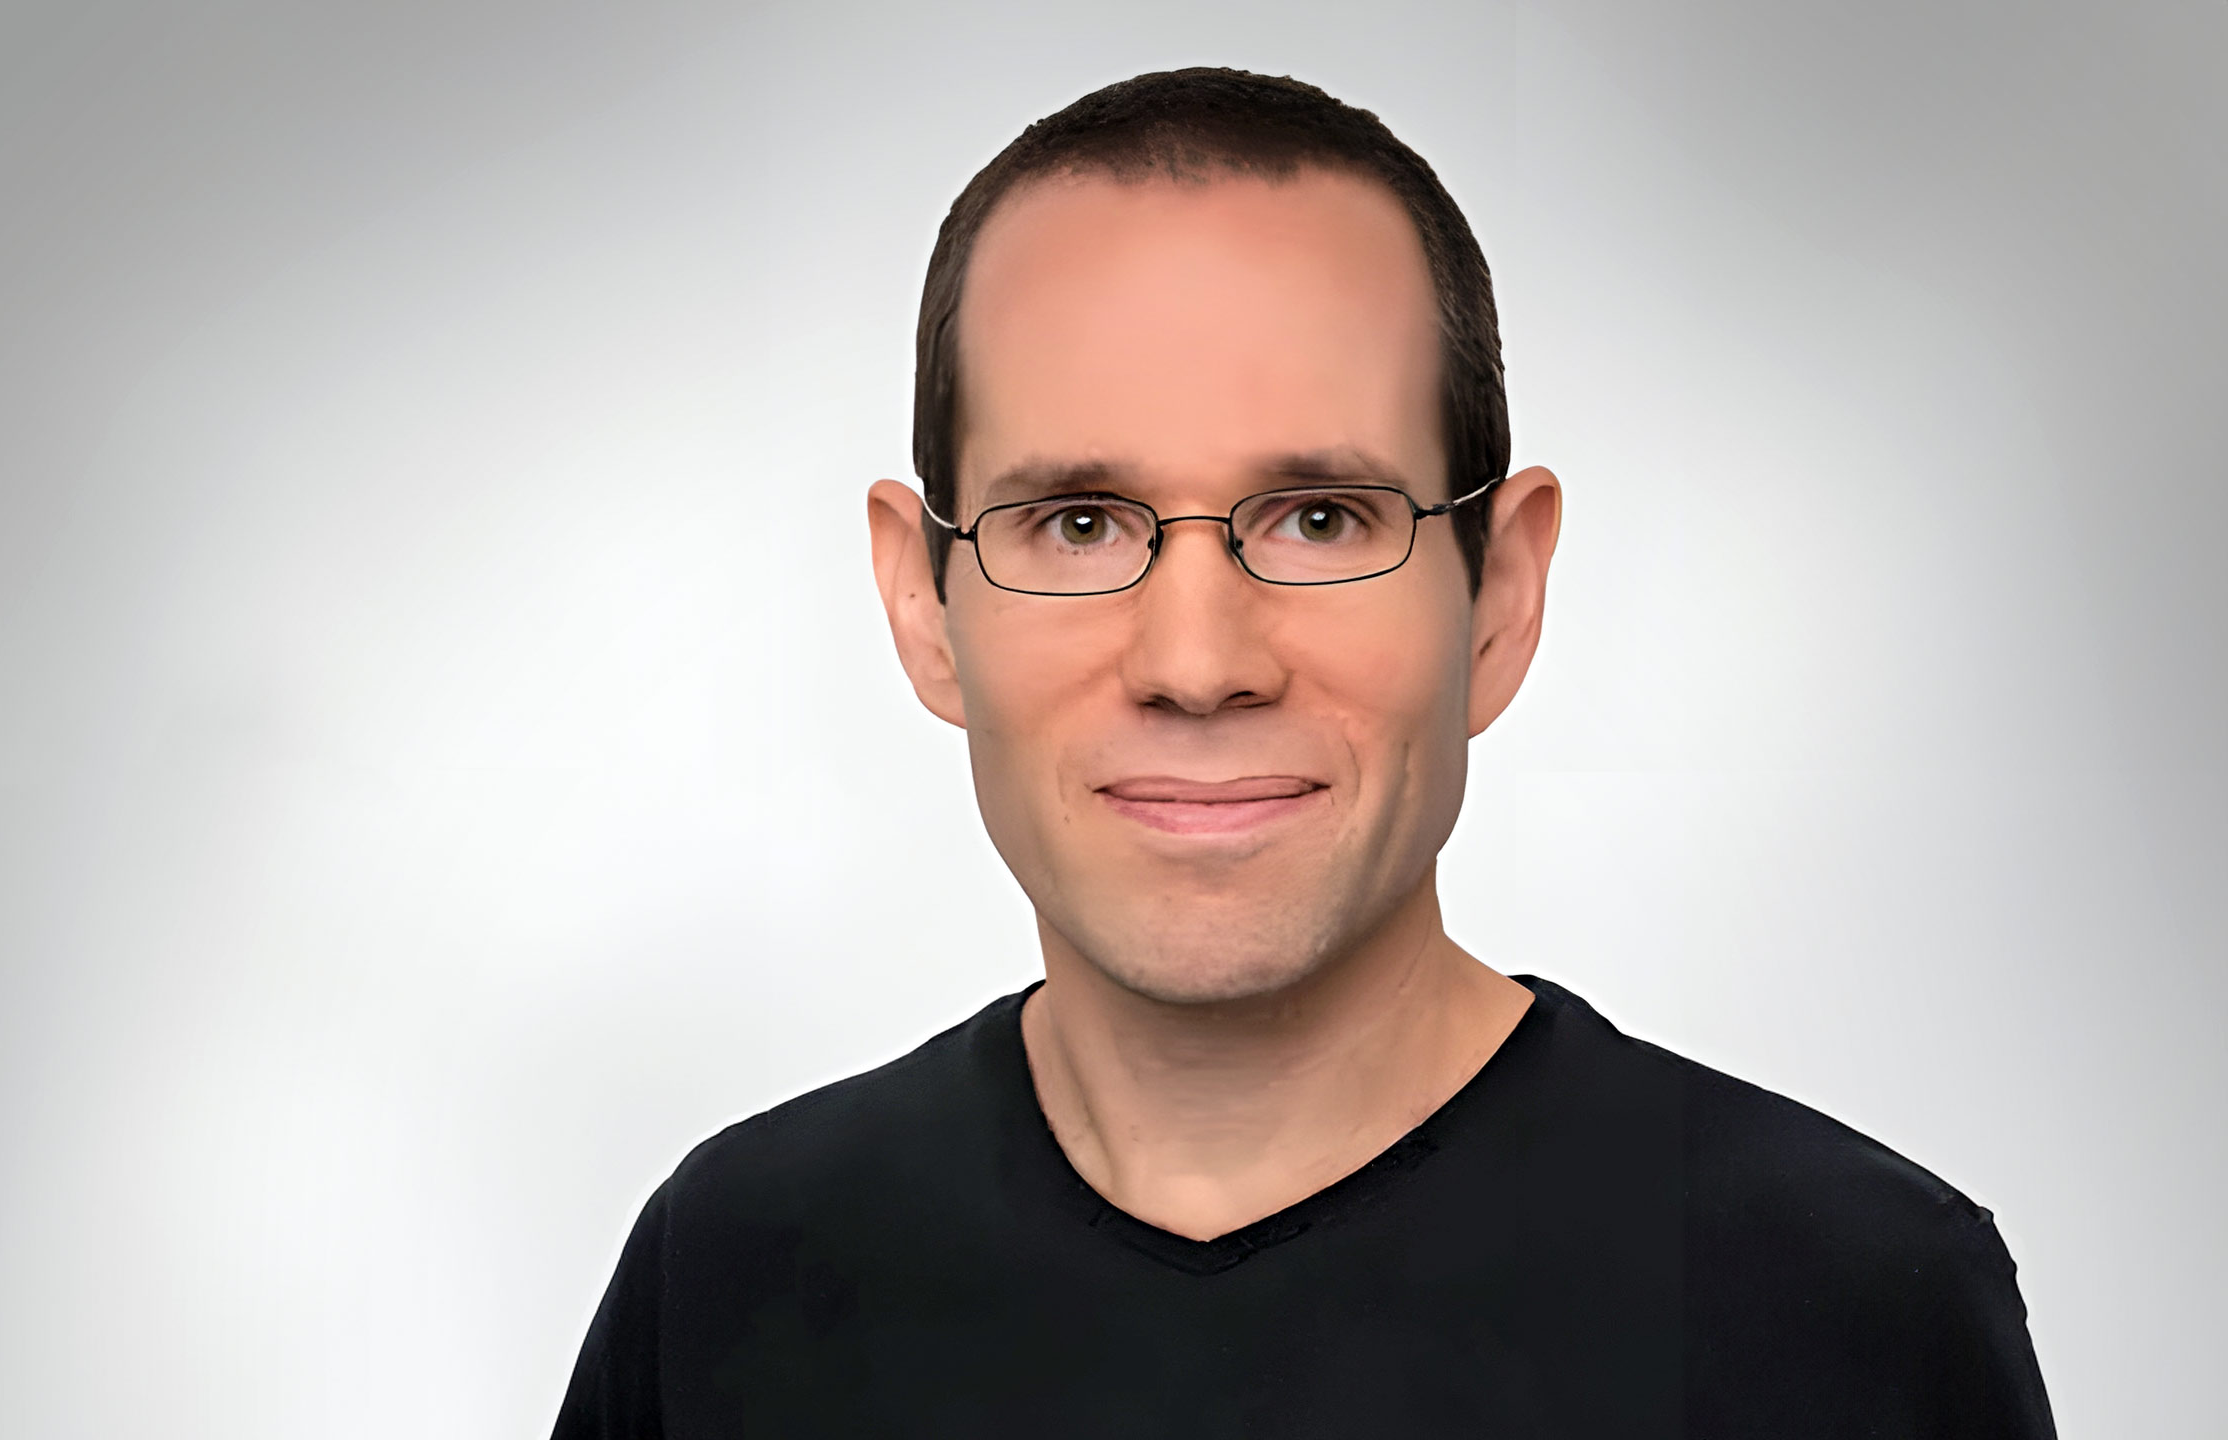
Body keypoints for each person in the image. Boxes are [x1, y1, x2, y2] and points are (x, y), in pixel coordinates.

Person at [552, 67, 2056, 1438]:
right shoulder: (730, 1279)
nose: (1198, 665)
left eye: (1319, 520)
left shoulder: (1853, 1311)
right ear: (922, 603)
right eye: (1077, 525)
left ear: (1502, 594)